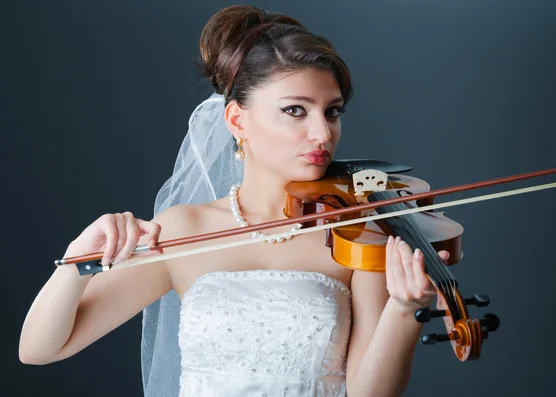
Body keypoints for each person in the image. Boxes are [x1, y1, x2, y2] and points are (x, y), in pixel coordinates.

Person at [19, 5, 450, 397]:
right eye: (296, 110)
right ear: (236, 119)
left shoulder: (356, 230)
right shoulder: (182, 230)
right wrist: (78, 262)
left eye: (332, 111)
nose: (323, 134)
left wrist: (404, 308)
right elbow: (40, 349)